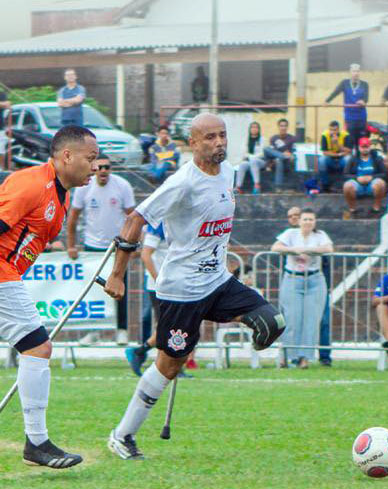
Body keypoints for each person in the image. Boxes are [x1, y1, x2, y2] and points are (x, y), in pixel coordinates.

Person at [102, 113, 285, 460]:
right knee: (170, 365)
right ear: (193, 143)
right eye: (210, 138)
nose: (218, 143)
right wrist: (117, 274)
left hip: (218, 280)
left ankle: (235, 326)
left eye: (222, 135)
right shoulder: (183, 182)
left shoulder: (229, 172)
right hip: (182, 289)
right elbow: (135, 219)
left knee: (272, 321)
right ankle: (122, 435)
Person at [0, 124, 98, 468]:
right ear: (67, 156)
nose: (95, 166)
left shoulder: (61, 193)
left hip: (1, 275)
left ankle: (36, 443)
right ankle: (36, 444)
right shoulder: (30, 183)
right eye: (91, 158)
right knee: (38, 347)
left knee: (33, 346)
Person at [67, 153, 135, 345]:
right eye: (100, 167)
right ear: (94, 169)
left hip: (118, 246)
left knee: (121, 286)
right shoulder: (84, 186)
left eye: (107, 167)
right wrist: (71, 245)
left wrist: (132, 242)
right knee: (93, 289)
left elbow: (133, 217)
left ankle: (121, 330)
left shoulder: (122, 186)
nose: (103, 171)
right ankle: (94, 330)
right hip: (92, 246)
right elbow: (73, 217)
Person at [271, 209, 333, 369]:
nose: (308, 222)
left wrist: (309, 251)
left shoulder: (320, 235)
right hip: (293, 278)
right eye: (305, 219)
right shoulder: (290, 233)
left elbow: (328, 249)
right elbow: (275, 247)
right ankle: (289, 356)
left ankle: (305, 357)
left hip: (314, 279)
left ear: (315, 222)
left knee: (311, 321)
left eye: (311, 219)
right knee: (291, 319)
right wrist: (293, 250)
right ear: (299, 221)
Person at [127, 223, 169, 376]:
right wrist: (158, 280)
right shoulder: (159, 225)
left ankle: (140, 352)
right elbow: (146, 255)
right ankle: (139, 352)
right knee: (169, 327)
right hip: (159, 287)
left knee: (170, 327)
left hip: (173, 285)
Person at [325, 63, 369, 145]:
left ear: (360, 72)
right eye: (354, 71)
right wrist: (327, 101)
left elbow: (366, 98)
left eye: (357, 71)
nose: (356, 73)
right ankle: (351, 157)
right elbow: (336, 92)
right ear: (350, 72)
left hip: (361, 117)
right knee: (350, 141)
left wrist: (363, 101)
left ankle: (359, 157)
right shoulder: (344, 83)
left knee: (361, 142)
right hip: (350, 117)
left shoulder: (364, 84)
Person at [342, 137, 387, 216]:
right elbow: (345, 174)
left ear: (370, 147)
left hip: (372, 184)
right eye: (363, 147)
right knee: (347, 186)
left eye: (366, 147)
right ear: (359, 148)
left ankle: (376, 209)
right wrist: (357, 178)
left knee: (381, 183)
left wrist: (372, 177)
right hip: (357, 184)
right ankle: (352, 209)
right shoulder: (353, 158)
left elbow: (384, 174)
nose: (365, 149)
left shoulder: (377, 158)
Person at [318, 121, 352, 192]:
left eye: (335, 130)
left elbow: (349, 151)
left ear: (338, 129)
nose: (333, 132)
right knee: (321, 160)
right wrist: (337, 155)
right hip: (331, 159)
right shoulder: (325, 135)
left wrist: (338, 144)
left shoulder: (345, 135)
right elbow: (325, 152)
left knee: (348, 159)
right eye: (331, 130)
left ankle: (346, 184)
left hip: (342, 159)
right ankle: (325, 185)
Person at [264, 118, 296, 191]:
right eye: (281, 126)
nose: (283, 128)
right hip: (275, 162)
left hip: (287, 164)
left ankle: (278, 187)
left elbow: (293, 154)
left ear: (287, 127)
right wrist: (269, 164)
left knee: (279, 159)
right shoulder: (273, 138)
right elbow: (271, 153)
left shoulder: (292, 138)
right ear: (278, 127)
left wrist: (289, 154)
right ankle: (282, 156)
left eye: (285, 126)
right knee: (266, 149)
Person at [235, 121, 265, 194]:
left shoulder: (262, 139)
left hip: (260, 161)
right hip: (249, 161)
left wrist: (251, 157)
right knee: (243, 164)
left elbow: (262, 153)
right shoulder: (246, 139)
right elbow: (244, 153)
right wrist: (249, 156)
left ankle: (257, 185)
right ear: (250, 129)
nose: (254, 129)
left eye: (256, 127)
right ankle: (238, 187)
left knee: (253, 161)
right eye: (252, 127)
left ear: (259, 129)